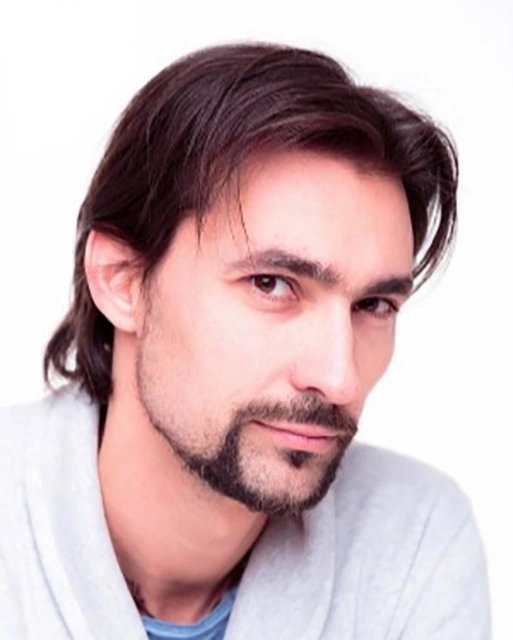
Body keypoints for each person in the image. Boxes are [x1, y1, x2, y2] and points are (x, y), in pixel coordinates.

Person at [0, 43, 490, 640]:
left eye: (373, 305)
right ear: (122, 280)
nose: (339, 378)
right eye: (271, 284)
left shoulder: (414, 542)